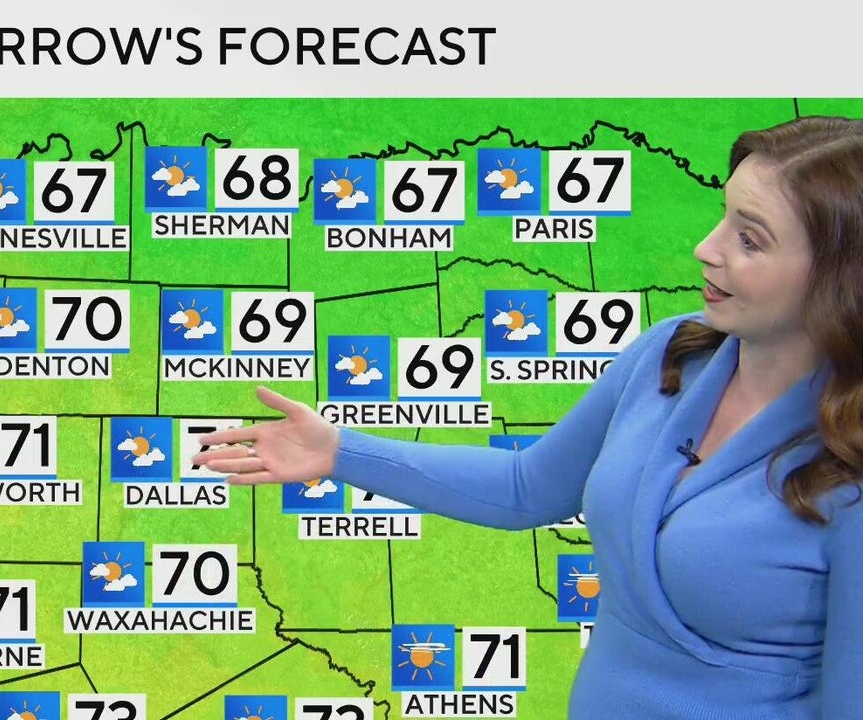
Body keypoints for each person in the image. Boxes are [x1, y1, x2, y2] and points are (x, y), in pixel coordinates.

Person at [192, 115, 863, 720]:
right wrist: (340, 451)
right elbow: (528, 487)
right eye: (723, 217)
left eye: (749, 239)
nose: (706, 248)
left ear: (839, 279)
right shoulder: (673, 354)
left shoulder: (850, 462)